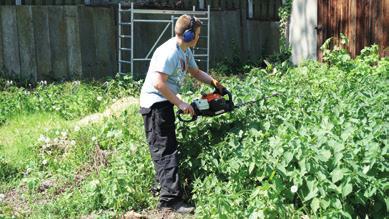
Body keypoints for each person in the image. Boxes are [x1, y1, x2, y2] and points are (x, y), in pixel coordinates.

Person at [139, 14, 224, 214]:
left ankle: (161, 189)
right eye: (197, 34)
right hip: (155, 104)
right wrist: (180, 103)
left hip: (164, 103)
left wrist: (214, 83)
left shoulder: (184, 51)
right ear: (187, 35)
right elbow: (157, 83)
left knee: (166, 149)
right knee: (165, 151)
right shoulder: (169, 52)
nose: (198, 37)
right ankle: (170, 202)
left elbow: (195, 72)